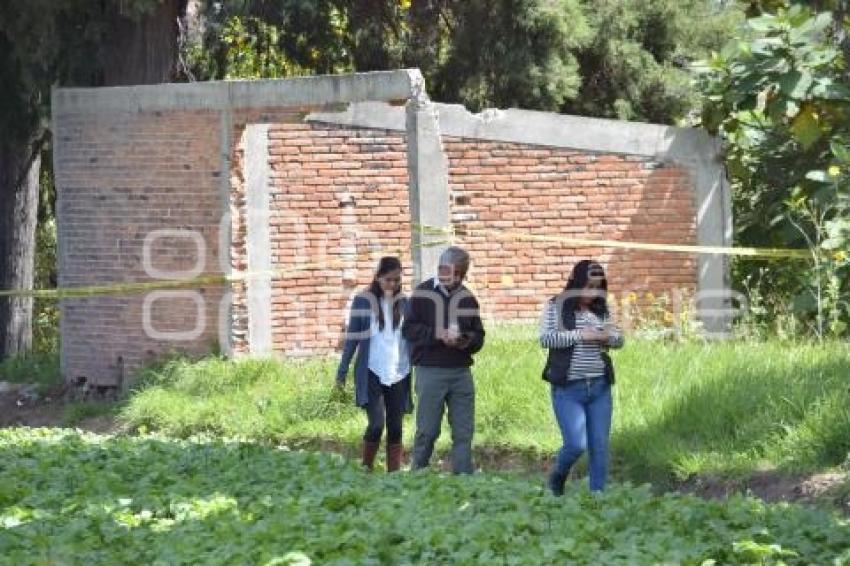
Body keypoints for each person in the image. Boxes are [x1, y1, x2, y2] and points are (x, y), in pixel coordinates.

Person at [539, 260, 624, 495]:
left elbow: (619, 339)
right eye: (588, 286)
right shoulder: (556, 306)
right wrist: (581, 335)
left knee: (599, 446)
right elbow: (546, 339)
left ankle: (598, 498)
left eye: (597, 287)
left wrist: (607, 338)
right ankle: (558, 475)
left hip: (599, 387)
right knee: (577, 444)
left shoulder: (601, 309)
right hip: (568, 389)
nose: (592, 292)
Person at [402, 246, 485, 474]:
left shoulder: (467, 299)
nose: (442, 274)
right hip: (430, 371)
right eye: (440, 268)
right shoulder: (421, 294)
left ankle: (463, 478)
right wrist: (436, 334)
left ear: (460, 275)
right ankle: (417, 473)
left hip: (460, 373)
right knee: (428, 430)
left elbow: (479, 337)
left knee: (463, 431)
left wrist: (463, 340)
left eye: (448, 271)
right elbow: (408, 330)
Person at [336, 256, 412, 472]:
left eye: (397, 280)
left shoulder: (404, 303)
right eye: (388, 280)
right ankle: (366, 468)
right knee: (377, 424)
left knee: (396, 427)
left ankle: (393, 474)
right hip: (372, 370)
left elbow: (412, 337)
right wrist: (342, 372)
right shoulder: (363, 301)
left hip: (399, 371)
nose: (393, 285)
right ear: (378, 277)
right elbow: (352, 339)